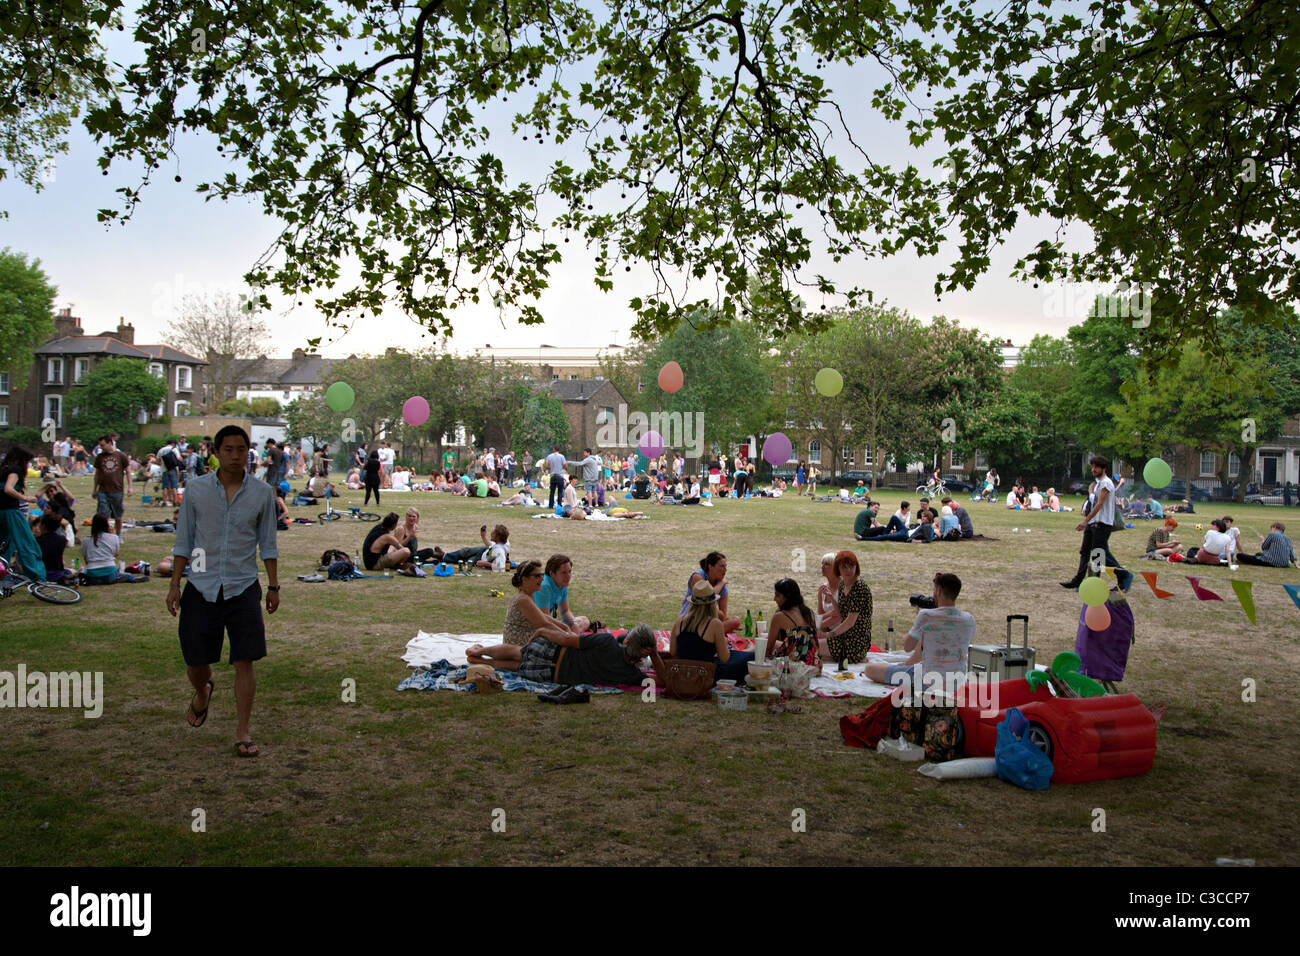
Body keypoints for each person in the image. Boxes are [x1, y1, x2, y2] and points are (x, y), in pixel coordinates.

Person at [167, 425, 279, 759]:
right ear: (216, 452)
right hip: (200, 585)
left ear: (249, 452)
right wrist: (174, 584)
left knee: (245, 659)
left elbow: (268, 544)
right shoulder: (196, 490)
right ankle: (202, 690)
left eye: (241, 449)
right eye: (227, 449)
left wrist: (273, 586)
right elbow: (184, 540)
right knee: (196, 660)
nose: (234, 455)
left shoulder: (261, 493)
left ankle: (242, 731)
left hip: (242, 585)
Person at [864, 573, 975, 696]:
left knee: (869, 669)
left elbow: (907, 647)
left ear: (938, 591)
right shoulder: (969, 619)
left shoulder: (926, 616)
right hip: (956, 683)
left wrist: (918, 620)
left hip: (927, 682)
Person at [1061, 455, 1133, 592]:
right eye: (1092, 466)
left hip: (1102, 523)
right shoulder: (1098, 483)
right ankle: (1078, 581)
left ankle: (1124, 575)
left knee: (1099, 555)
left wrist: (1085, 520)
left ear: (1104, 468)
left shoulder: (1106, 483)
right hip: (1093, 523)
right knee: (1086, 552)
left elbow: (1100, 504)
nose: (1093, 469)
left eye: (1096, 467)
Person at [474, 559, 582, 650]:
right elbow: (544, 623)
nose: (542, 579)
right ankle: (479, 654)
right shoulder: (523, 600)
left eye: (541, 575)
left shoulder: (526, 596)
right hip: (519, 646)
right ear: (524, 579)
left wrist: (565, 629)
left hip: (522, 644)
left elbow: (543, 617)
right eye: (537, 576)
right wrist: (568, 637)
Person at [672, 579, 755, 683]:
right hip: (707, 676)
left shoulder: (679, 620)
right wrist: (723, 642)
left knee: (736, 655)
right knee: (751, 657)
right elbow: (725, 658)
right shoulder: (714, 624)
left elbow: (672, 652)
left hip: (683, 673)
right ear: (712, 604)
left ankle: (748, 651)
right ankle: (749, 650)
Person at [818, 550, 872, 665]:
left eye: (851, 566)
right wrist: (831, 597)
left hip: (855, 642)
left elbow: (850, 622)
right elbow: (841, 612)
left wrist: (828, 635)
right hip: (844, 636)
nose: (848, 570)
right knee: (815, 650)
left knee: (810, 647)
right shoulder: (843, 584)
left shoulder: (859, 588)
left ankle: (855, 657)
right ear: (838, 569)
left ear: (856, 567)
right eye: (844, 567)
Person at [0, 445, 46, 580]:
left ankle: (3, 574)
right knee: (27, 544)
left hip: (1, 512)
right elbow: (8, 489)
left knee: (4, 546)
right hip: (11, 513)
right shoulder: (15, 470)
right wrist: (26, 498)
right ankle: (37, 577)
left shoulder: (3, 469)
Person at [680, 552, 742, 631]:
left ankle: (710, 634)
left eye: (726, 566)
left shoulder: (722, 587)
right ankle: (712, 635)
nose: (725, 570)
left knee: (735, 621)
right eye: (722, 566)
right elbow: (706, 597)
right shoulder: (697, 576)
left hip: (708, 622)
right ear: (710, 567)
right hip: (691, 618)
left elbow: (722, 616)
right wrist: (722, 583)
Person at [80, 513, 145, 584]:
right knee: (122, 575)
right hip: (110, 573)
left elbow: (86, 558)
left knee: (83, 573)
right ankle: (130, 578)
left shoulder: (86, 540)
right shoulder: (114, 537)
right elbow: (116, 554)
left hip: (92, 575)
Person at [533, 554, 591, 634]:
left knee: (584, 620)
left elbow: (565, 611)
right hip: (537, 627)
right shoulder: (544, 586)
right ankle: (570, 637)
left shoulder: (562, 583)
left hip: (548, 624)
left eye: (569, 571)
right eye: (563, 572)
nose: (568, 576)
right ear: (552, 574)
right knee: (571, 629)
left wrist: (573, 623)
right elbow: (544, 619)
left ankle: (570, 636)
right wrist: (565, 628)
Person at [769, 577, 820, 668]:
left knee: (759, 644)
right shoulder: (810, 613)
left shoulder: (779, 617)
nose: (774, 599)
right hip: (813, 665)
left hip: (790, 667)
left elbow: (768, 649)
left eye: (777, 595)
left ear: (786, 597)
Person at [34, 512, 74, 584]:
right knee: (71, 571)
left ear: (43, 526)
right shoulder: (62, 540)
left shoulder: (38, 540)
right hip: (58, 573)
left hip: (42, 572)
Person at [816, 553, 843, 633]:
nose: (822, 566)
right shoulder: (822, 588)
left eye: (827, 564)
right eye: (822, 563)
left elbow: (838, 616)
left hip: (842, 632)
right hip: (827, 629)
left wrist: (816, 626)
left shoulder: (844, 588)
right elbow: (821, 614)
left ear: (836, 568)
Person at [545, 445, 568, 509]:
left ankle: (550, 505)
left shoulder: (549, 456)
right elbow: (565, 466)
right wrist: (560, 467)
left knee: (552, 492)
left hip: (552, 475)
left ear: (553, 449)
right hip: (559, 475)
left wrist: (552, 467)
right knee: (560, 491)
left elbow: (546, 466)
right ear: (559, 450)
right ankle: (559, 505)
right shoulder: (561, 456)